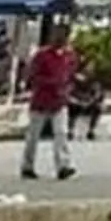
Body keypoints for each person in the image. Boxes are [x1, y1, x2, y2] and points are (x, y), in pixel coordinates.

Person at [20, 20, 77, 183]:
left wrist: (68, 88)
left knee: (61, 134)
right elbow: (33, 76)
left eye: (64, 36)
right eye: (58, 35)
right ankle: (27, 166)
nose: (61, 39)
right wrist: (53, 83)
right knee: (33, 136)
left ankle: (63, 166)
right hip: (41, 101)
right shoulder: (42, 55)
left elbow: (71, 75)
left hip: (59, 101)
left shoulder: (69, 56)